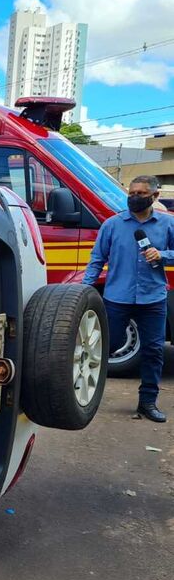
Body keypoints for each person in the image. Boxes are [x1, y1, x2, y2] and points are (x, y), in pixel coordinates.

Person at [83, 175, 174, 422]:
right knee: (103, 349)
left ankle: (147, 403)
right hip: (117, 298)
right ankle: (85, 397)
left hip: (153, 299)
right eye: (132, 192)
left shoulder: (167, 225)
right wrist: (84, 289)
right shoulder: (112, 225)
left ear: (154, 197)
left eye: (141, 194)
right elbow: (97, 259)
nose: (134, 197)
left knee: (154, 351)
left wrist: (163, 254)